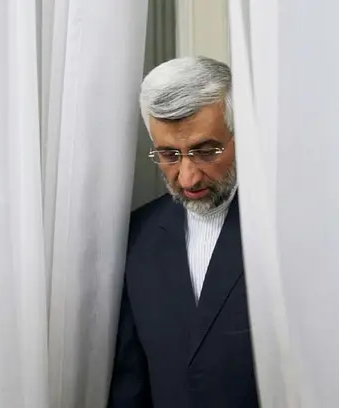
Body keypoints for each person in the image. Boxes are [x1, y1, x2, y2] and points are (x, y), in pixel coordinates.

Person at [107, 56, 259, 408]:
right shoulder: (136, 238)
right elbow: (131, 383)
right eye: (170, 155)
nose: (188, 177)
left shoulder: (281, 231)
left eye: (206, 152)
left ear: (242, 136)